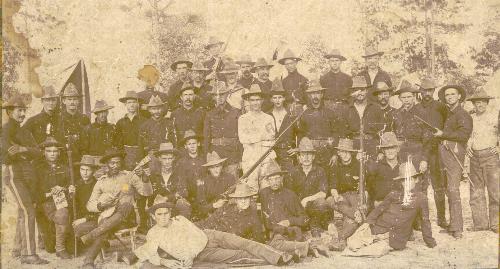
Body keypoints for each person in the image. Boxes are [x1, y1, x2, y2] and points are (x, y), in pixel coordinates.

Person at [134, 195, 295, 268]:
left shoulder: (180, 221)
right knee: (238, 256)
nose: (163, 217)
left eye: (166, 213)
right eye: (159, 214)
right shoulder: (153, 233)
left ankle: (279, 256)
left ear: (170, 213)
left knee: (244, 243)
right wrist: (164, 262)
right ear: (153, 217)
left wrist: (189, 255)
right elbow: (145, 252)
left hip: (210, 236)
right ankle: (281, 256)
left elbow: (197, 236)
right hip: (204, 253)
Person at [197, 183, 320, 260]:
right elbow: (207, 223)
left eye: (246, 198)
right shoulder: (225, 209)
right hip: (213, 241)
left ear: (251, 199)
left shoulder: (253, 216)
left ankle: (302, 249)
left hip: (233, 246)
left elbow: (258, 241)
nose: (244, 202)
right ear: (235, 200)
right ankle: (298, 250)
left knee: (246, 253)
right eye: (240, 199)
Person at [80, 148, 153, 269]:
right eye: (112, 163)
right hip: (109, 218)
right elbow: (90, 204)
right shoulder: (101, 182)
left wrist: (144, 177)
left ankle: (92, 235)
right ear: (107, 164)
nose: (115, 165)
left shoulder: (130, 176)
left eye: (118, 162)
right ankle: (89, 261)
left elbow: (147, 192)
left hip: (128, 218)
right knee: (105, 224)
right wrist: (100, 205)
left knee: (125, 204)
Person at [345, 162, 436, 256]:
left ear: (416, 180)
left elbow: (425, 221)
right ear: (401, 182)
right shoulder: (393, 194)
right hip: (378, 227)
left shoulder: (421, 198)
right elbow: (378, 209)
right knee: (352, 243)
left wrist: (430, 241)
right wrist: (367, 223)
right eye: (404, 180)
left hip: (394, 236)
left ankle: (375, 243)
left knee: (374, 250)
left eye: (410, 179)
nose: (407, 183)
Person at [2, 95, 49, 264]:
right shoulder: (5, 130)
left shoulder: (23, 131)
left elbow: (38, 151)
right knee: (28, 210)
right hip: (14, 174)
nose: (22, 114)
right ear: (9, 112)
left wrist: (22, 149)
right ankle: (29, 254)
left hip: (25, 174)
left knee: (24, 210)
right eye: (19, 110)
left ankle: (17, 249)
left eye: (23, 110)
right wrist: (22, 152)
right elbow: (5, 155)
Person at [433, 85, 473, 239]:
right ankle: (452, 224)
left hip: (455, 155)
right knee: (447, 188)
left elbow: (464, 135)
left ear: (459, 97)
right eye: (447, 95)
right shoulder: (448, 114)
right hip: (445, 154)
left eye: (452, 94)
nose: (449, 97)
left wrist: (443, 134)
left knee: (453, 190)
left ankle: (457, 228)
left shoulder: (463, 114)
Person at [465, 88, 499, 233]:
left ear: (487, 102)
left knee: (495, 191)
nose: (480, 105)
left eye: (482, 102)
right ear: (473, 104)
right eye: (477, 102)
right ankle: (480, 224)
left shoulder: (495, 116)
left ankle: (496, 224)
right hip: (475, 157)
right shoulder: (471, 117)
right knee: (476, 191)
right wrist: (468, 145)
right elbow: (470, 135)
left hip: (491, 157)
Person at [415, 78, 448, 228]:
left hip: (436, 151)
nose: (427, 93)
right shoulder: (415, 109)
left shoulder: (441, 107)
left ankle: (441, 218)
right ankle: (421, 219)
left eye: (430, 90)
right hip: (420, 151)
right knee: (421, 186)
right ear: (420, 91)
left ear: (433, 91)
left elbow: (448, 126)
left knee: (438, 185)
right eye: (424, 90)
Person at [35, 137, 73, 259]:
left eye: (55, 151)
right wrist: (50, 193)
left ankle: (60, 248)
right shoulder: (38, 169)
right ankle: (43, 237)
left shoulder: (65, 168)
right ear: (44, 152)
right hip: (44, 205)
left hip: (62, 203)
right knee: (48, 248)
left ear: (59, 152)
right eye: (49, 151)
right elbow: (33, 193)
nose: (52, 154)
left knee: (63, 213)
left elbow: (70, 185)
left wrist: (64, 188)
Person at [367, 132, 428, 208]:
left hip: (400, 206)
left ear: (397, 149)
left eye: (392, 148)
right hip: (381, 206)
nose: (390, 151)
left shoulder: (404, 166)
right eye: (387, 148)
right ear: (383, 151)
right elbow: (370, 189)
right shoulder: (376, 167)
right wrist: (374, 203)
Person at [326, 138, 365, 251]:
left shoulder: (359, 165)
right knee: (329, 200)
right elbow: (333, 185)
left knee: (352, 218)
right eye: (342, 151)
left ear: (352, 152)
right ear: (338, 153)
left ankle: (340, 238)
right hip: (342, 197)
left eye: (347, 151)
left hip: (354, 196)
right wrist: (336, 195)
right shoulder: (335, 165)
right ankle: (357, 215)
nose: (345, 154)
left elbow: (364, 186)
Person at [286, 137, 330, 238]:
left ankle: (315, 225)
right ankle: (305, 226)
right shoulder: (293, 172)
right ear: (299, 157)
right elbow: (289, 194)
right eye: (303, 154)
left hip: (312, 207)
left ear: (313, 156)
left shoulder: (320, 171)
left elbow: (323, 193)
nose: (306, 158)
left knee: (322, 202)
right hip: (298, 208)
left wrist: (306, 199)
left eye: (309, 154)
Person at [297, 79, 344, 170]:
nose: (315, 96)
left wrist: (334, 154)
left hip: (327, 150)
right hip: (310, 151)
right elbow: (300, 135)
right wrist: (300, 153)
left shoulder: (330, 113)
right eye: (313, 93)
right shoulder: (304, 114)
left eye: (318, 93)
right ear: (309, 95)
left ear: (322, 95)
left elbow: (336, 134)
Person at [238, 84, 277, 191]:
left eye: (258, 100)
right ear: (248, 102)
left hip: (265, 156)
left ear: (262, 100)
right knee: (251, 189)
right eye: (252, 100)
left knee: (266, 187)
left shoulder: (268, 118)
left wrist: (254, 136)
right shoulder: (243, 119)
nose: (255, 103)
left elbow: (271, 138)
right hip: (250, 157)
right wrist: (261, 136)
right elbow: (243, 138)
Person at [259, 162, 308, 242]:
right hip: (272, 233)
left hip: (289, 232)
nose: (274, 182)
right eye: (271, 179)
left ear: (282, 178)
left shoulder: (290, 195)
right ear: (267, 181)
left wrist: (289, 221)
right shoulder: (264, 193)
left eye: (277, 178)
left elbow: (305, 219)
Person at [203, 81, 242, 178]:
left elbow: (241, 137)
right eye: (216, 95)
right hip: (216, 154)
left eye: (222, 94)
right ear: (213, 97)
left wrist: (241, 158)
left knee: (232, 183)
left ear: (227, 94)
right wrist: (207, 155)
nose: (219, 97)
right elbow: (206, 137)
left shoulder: (236, 112)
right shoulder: (209, 114)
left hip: (232, 154)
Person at [147, 143, 192, 219]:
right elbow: (149, 194)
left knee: (182, 203)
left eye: (170, 158)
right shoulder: (154, 174)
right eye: (164, 159)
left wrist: (167, 198)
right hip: (159, 207)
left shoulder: (179, 173)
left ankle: (182, 228)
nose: (167, 161)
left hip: (174, 206)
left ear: (173, 158)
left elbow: (184, 191)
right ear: (159, 159)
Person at [344, 76, 385, 159]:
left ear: (366, 91)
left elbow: (381, 131)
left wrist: (381, 151)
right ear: (353, 92)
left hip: (372, 144)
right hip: (354, 145)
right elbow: (344, 132)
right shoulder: (347, 109)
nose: (360, 93)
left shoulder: (375, 108)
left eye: (362, 90)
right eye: (356, 90)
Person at [391, 82, 428, 159]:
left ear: (414, 97)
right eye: (404, 97)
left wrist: (424, 159)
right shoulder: (396, 114)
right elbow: (392, 133)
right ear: (399, 98)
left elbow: (427, 138)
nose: (406, 100)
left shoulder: (422, 113)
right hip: (400, 151)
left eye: (409, 97)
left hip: (417, 151)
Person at [194, 151, 236, 219]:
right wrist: (214, 205)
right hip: (210, 214)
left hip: (227, 212)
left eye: (217, 166)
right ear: (208, 169)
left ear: (221, 166)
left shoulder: (230, 178)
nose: (215, 170)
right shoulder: (203, 181)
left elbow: (234, 197)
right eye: (212, 168)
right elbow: (200, 206)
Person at [57, 83, 91, 162]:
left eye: (75, 99)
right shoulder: (59, 119)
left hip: (81, 158)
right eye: (69, 99)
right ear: (64, 101)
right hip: (64, 159)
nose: (72, 102)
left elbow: (88, 140)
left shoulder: (84, 119)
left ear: (78, 101)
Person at [139, 95, 176, 167]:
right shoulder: (144, 126)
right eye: (153, 109)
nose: (156, 111)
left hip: (167, 156)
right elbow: (141, 146)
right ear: (149, 110)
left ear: (162, 109)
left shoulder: (169, 124)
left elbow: (174, 142)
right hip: (152, 158)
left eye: (159, 108)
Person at [174, 130, 206, 211]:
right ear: (185, 146)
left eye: (194, 143)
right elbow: (181, 182)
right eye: (189, 144)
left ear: (198, 144)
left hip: (204, 195)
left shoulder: (204, 160)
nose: (192, 146)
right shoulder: (181, 162)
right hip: (189, 196)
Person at [115, 91, 147, 170]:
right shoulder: (120, 122)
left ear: (138, 104)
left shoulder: (144, 121)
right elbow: (118, 143)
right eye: (129, 102)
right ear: (125, 104)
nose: (132, 105)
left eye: (134, 102)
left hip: (140, 153)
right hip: (125, 154)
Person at [72, 155, 100, 245]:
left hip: (94, 219)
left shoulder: (98, 186)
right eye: (82, 169)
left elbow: (101, 210)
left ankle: (98, 241)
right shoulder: (77, 184)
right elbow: (73, 205)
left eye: (88, 170)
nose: (85, 173)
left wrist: (85, 219)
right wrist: (71, 195)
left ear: (94, 171)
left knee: (78, 230)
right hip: (78, 218)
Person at [320, 49, 353, 113]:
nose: (335, 63)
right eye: (332, 61)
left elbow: (351, 95)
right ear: (329, 62)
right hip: (328, 109)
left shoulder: (348, 78)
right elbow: (321, 97)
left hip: (344, 109)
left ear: (340, 62)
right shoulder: (323, 79)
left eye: (337, 60)